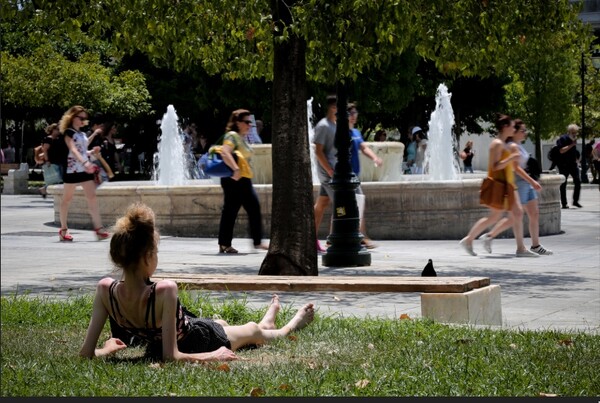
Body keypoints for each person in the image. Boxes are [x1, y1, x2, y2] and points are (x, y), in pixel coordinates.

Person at [79, 202, 315, 362]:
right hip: (202, 340)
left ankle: (268, 321)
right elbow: (172, 356)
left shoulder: (105, 290)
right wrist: (212, 356)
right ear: (147, 257)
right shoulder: (164, 290)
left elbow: (86, 354)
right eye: (157, 251)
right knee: (252, 330)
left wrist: (104, 350)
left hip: (190, 329)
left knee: (221, 322)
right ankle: (289, 326)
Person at [459, 114, 539, 257]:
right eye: (512, 126)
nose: (514, 129)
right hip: (498, 184)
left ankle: (520, 248)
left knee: (517, 213)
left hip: (508, 184)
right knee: (495, 216)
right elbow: (494, 167)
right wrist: (511, 158)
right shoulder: (496, 144)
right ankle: (469, 239)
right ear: (504, 127)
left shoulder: (502, 143)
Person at [477, 119, 551, 255]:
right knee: (515, 216)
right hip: (519, 181)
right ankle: (490, 236)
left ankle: (535, 245)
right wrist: (532, 181)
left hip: (526, 181)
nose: (525, 133)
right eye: (522, 130)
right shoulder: (511, 146)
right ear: (514, 132)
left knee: (534, 213)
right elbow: (516, 168)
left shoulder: (519, 145)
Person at [217, 109, 269, 253]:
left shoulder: (241, 138)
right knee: (233, 210)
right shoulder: (232, 136)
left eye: (250, 122)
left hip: (243, 179)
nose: (249, 125)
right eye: (246, 122)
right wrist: (236, 169)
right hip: (235, 179)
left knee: (243, 209)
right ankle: (230, 244)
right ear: (238, 123)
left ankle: (227, 243)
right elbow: (225, 152)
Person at [58, 105, 110, 242]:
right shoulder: (68, 132)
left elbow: (82, 151)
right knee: (67, 199)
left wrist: (92, 153)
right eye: (81, 118)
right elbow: (73, 150)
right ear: (73, 117)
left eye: (85, 119)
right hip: (72, 170)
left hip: (85, 169)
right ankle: (63, 229)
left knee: (92, 197)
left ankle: (99, 229)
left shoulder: (81, 134)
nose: (83, 121)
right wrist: (85, 163)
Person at [347, 103, 383, 249]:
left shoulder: (356, 132)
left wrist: (375, 158)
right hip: (344, 175)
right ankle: (361, 236)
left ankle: (360, 236)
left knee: (357, 203)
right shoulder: (341, 133)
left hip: (354, 175)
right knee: (353, 203)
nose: (354, 116)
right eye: (352, 113)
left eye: (355, 113)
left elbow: (363, 147)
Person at [313, 95, 338, 253]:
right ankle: (333, 240)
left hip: (332, 173)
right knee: (340, 205)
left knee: (321, 205)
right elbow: (318, 151)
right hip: (329, 174)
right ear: (332, 107)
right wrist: (329, 170)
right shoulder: (323, 126)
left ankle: (311, 238)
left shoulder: (334, 124)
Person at [556, 124, 582, 209]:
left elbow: (574, 152)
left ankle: (575, 201)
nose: (575, 134)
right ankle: (564, 203)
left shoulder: (574, 140)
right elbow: (561, 150)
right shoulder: (562, 139)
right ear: (569, 132)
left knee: (578, 181)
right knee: (563, 184)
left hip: (573, 164)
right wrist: (572, 145)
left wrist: (577, 159)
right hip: (563, 165)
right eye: (573, 132)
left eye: (576, 132)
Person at [39, 123, 65, 198]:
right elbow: (45, 150)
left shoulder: (59, 138)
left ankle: (44, 189)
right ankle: (44, 189)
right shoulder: (48, 139)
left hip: (59, 160)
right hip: (52, 161)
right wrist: (47, 160)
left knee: (57, 178)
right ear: (52, 130)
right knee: (56, 178)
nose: (59, 131)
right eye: (57, 129)